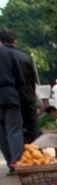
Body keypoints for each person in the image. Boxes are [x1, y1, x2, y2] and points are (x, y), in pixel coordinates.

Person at [0, 30, 39, 143]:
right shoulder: (24, 57)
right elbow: (31, 80)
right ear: (15, 41)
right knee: (31, 130)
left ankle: (15, 156)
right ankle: (31, 154)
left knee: (9, 130)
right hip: (26, 98)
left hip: (10, 98)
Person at [0, 40, 26, 168]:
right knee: (14, 130)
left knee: (2, 133)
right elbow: (20, 78)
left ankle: (10, 163)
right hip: (10, 95)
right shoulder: (8, 53)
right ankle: (17, 161)